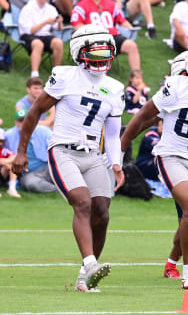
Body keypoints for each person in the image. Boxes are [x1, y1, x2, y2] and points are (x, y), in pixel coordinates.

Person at [12, 25, 126, 292]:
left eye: (105, 53)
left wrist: (117, 162)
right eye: (94, 54)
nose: (100, 59)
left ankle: (84, 279)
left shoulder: (114, 87)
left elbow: (111, 134)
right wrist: (21, 150)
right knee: (83, 202)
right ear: (79, 52)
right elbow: (35, 112)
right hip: (62, 149)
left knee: (102, 212)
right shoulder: (64, 76)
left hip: (94, 155)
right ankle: (90, 263)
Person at [121, 38, 188, 289]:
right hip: (171, 154)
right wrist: (121, 148)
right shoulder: (177, 86)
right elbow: (142, 118)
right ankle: (187, 272)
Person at [71, 0, 141, 71]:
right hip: (93, 37)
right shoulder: (81, 5)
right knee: (102, 50)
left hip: (112, 36)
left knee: (132, 46)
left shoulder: (111, 4)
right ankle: (100, 77)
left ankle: (136, 76)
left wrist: (131, 28)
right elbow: (76, 25)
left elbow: (122, 20)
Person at [18, 0, 63, 79]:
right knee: (38, 44)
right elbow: (29, 31)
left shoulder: (51, 9)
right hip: (28, 35)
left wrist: (59, 22)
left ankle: (56, 74)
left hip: (45, 34)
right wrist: (45, 22)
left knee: (58, 42)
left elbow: (59, 29)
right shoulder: (27, 8)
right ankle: (35, 74)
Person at [0, 128, 19, 197]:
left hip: (2, 175)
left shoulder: (3, 150)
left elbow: (14, 155)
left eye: (1, 141)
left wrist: (6, 161)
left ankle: (12, 188)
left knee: (13, 165)